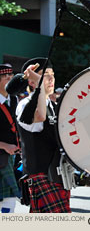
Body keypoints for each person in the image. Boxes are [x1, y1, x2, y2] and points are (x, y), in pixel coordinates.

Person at [15, 58, 71, 213]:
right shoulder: (25, 105)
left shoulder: (53, 106)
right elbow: (39, 117)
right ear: (32, 82)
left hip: (59, 176)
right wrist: (40, 85)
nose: (51, 78)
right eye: (45, 75)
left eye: (52, 74)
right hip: (41, 175)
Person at [0, 63, 21, 213]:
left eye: (11, 76)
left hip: (11, 158)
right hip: (2, 154)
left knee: (9, 201)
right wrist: (5, 146)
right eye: (5, 77)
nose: (9, 79)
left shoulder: (15, 100)